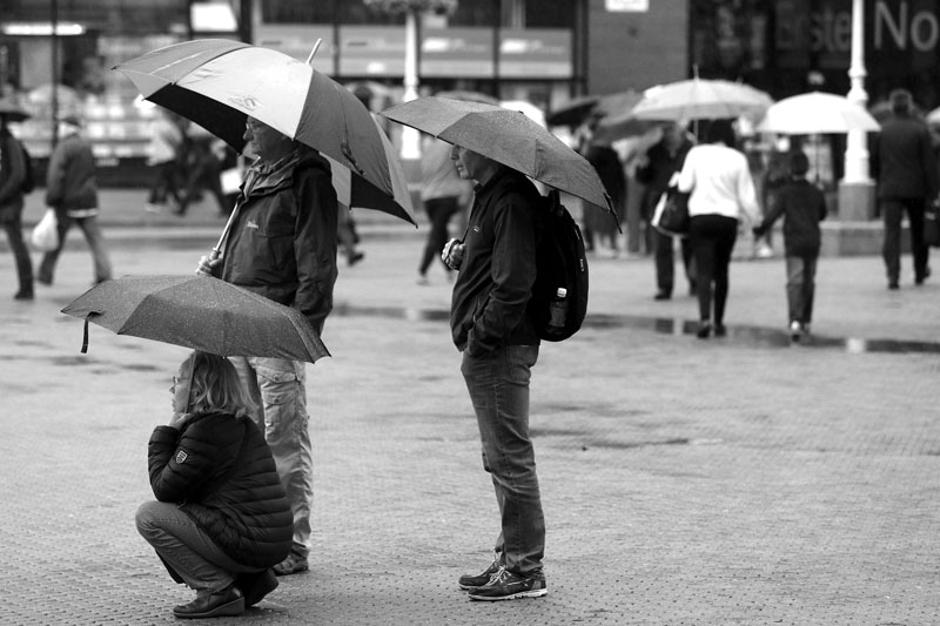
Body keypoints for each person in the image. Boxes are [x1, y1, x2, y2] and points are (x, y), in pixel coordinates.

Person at [196, 117, 338, 576]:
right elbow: (246, 250)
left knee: (282, 438)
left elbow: (317, 262)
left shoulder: (306, 179)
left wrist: (301, 328)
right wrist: (217, 268)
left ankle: (292, 543)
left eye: (255, 127)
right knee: (244, 436)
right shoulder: (256, 177)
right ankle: (254, 535)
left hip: (275, 327)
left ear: (282, 130)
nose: (245, 136)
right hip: (237, 320)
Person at [442, 144, 547, 601]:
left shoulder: (510, 200)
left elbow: (514, 283)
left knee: (509, 456)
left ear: (488, 151)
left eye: (460, 149)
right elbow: (495, 265)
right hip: (489, 346)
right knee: (499, 456)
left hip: (500, 347)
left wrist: (480, 338)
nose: (452, 158)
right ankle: (510, 557)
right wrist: (464, 254)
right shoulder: (490, 195)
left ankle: (525, 568)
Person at [136, 351, 293, 619]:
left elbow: (164, 488)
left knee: (150, 516)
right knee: (185, 507)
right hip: (266, 539)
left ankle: (217, 589)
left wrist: (167, 432)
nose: (173, 386)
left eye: (180, 379)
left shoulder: (207, 431)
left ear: (199, 388)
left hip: (250, 541)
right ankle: (251, 580)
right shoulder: (236, 421)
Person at [676, 119, 760, 339]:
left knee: (704, 270)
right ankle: (719, 320)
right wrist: (756, 221)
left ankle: (704, 319)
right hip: (727, 219)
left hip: (700, 218)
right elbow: (746, 197)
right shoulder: (738, 158)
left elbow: (684, 185)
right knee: (721, 271)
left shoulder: (695, 154)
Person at [752, 151, 827, 341]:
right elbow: (822, 214)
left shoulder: (785, 192)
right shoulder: (815, 191)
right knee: (809, 280)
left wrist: (760, 230)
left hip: (794, 241)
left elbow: (773, 214)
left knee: (795, 281)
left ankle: (795, 319)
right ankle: (806, 319)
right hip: (813, 240)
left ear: (790, 169)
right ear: (807, 168)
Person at [871, 88, 937, 290]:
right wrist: (933, 192)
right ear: (909, 105)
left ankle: (893, 275)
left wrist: (881, 180)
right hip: (916, 189)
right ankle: (919, 271)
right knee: (919, 232)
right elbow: (929, 164)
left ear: (892, 106)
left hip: (890, 189)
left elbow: (875, 162)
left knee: (892, 233)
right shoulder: (920, 130)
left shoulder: (883, 130)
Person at [37, 115, 113, 287]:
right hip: (88, 201)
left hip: (68, 202)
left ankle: (45, 274)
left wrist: (52, 198)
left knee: (56, 239)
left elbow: (55, 175)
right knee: (96, 241)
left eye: (62, 125)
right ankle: (104, 274)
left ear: (68, 127)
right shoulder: (86, 145)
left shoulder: (63, 147)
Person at [636, 122, 696, 299]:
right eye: (665, 130)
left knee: (690, 244)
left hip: (685, 200)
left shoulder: (692, 150)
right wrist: (642, 165)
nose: (668, 134)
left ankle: (695, 281)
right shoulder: (654, 151)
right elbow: (644, 179)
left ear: (680, 130)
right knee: (662, 246)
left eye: (671, 130)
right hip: (660, 203)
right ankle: (665, 286)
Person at [416, 136, 470, 284]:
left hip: (428, 196)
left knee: (438, 230)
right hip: (447, 194)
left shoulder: (425, 145)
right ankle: (427, 270)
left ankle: (437, 271)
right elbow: (460, 167)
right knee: (438, 233)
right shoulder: (449, 146)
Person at [0, 102, 33, 300]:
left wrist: (2, 195)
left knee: (17, 244)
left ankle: (26, 287)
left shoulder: (10, 142)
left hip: (10, 203)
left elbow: (18, 175)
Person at [580, 116, 626, 256]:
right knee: (604, 218)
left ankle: (607, 244)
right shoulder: (598, 151)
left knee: (606, 218)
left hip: (607, 189)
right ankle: (605, 244)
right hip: (605, 189)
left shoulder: (602, 151)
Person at [146, 108, 186, 213]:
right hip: (168, 156)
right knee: (164, 180)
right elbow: (179, 139)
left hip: (158, 156)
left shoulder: (153, 125)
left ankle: (176, 201)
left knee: (169, 180)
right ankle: (153, 201)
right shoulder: (168, 125)